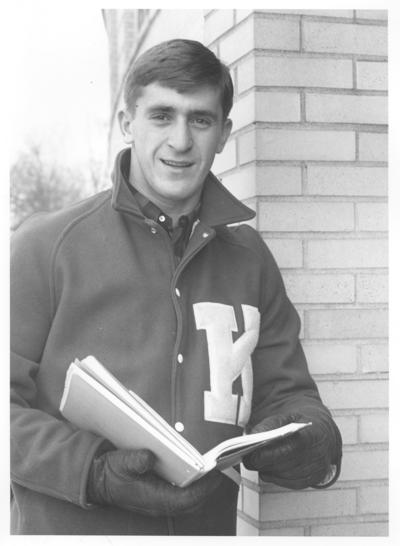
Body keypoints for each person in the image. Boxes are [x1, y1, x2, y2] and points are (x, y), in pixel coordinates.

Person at [10, 38, 342, 536]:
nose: (181, 141)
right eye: (162, 115)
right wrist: (94, 472)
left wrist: (315, 436)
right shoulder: (45, 244)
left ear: (224, 132)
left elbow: (287, 392)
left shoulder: (250, 259)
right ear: (128, 123)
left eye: (200, 119)